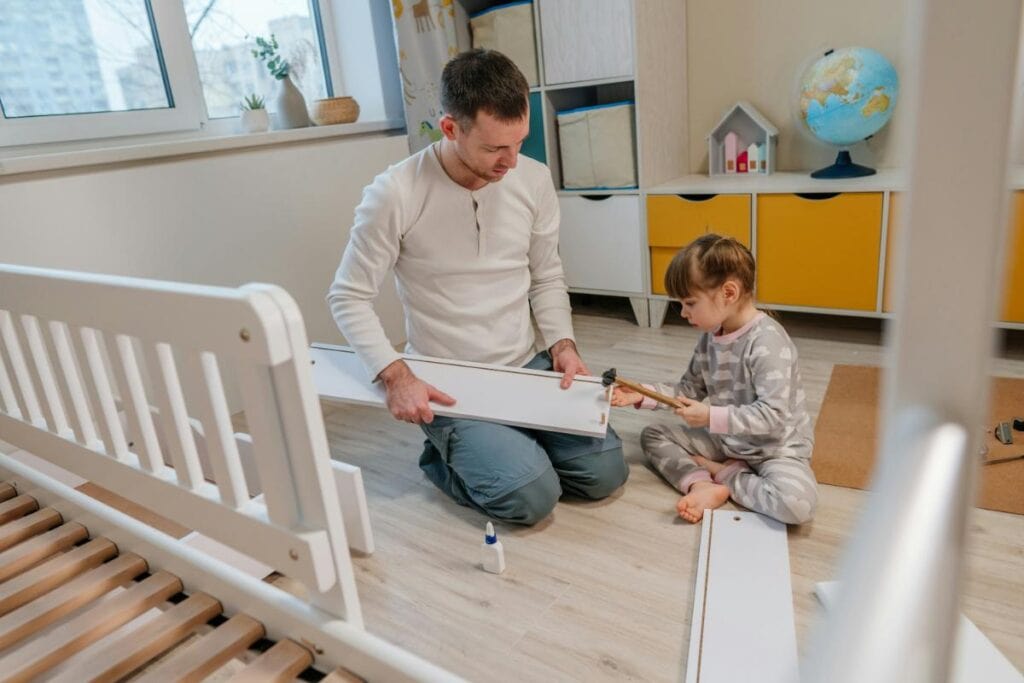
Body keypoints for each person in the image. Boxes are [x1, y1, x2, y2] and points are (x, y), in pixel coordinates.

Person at [327, 49, 627, 526]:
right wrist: (396, 375)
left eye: (520, 143)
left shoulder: (533, 179)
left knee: (605, 473)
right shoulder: (395, 193)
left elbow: (546, 274)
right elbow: (348, 295)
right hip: (451, 380)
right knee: (531, 498)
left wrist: (563, 346)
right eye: (494, 149)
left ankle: (511, 444)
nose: (511, 161)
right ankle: (448, 456)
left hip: (526, 362)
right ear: (451, 128)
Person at [610, 234, 817, 524]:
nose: (683, 313)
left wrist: (710, 418)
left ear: (728, 293)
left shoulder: (768, 342)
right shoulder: (710, 339)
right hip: (728, 440)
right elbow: (687, 390)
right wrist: (642, 394)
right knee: (654, 435)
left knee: (797, 506)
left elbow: (774, 416)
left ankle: (724, 475)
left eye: (689, 303)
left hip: (775, 449)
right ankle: (700, 484)